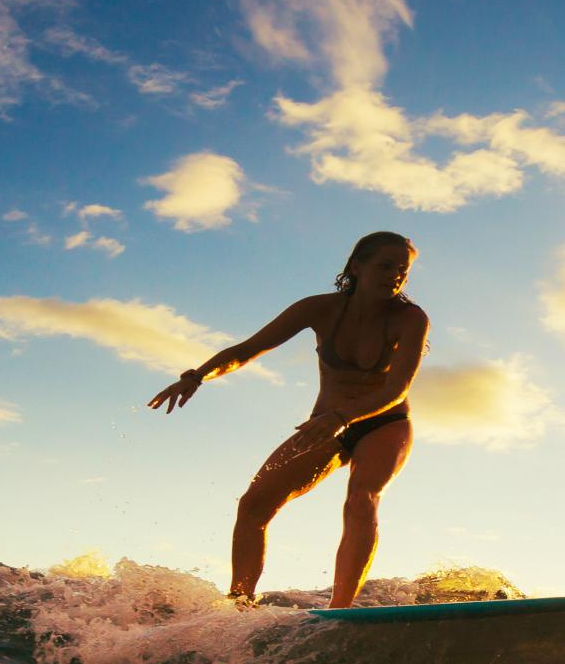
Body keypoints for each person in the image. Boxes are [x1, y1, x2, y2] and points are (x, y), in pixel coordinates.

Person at [147, 232, 425, 608]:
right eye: (385, 266)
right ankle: (240, 604)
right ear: (357, 267)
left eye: (402, 270)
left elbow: (396, 388)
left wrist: (343, 416)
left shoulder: (410, 319)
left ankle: (340, 612)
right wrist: (196, 376)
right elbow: (249, 348)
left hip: (384, 423)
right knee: (254, 505)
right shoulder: (318, 309)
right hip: (324, 424)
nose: (394, 275)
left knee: (362, 499)